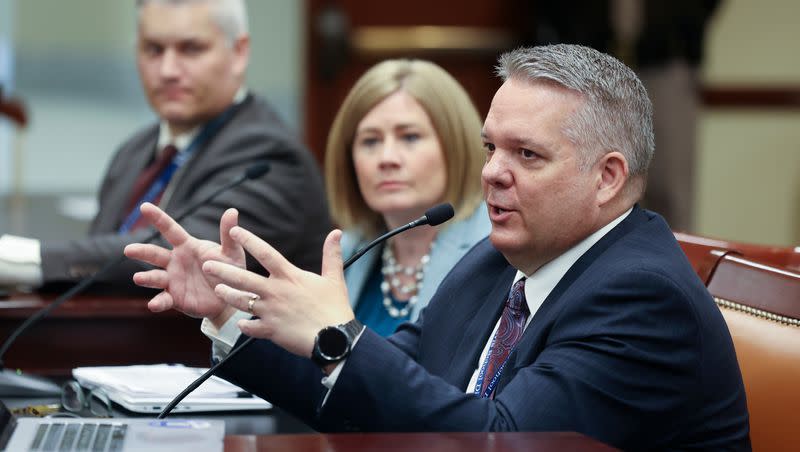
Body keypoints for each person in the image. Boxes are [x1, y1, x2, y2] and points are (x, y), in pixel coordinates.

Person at [125, 44, 750, 450]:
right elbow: (389, 382)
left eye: (526, 155)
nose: (492, 174)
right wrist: (231, 311)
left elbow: (500, 441)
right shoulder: (497, 262)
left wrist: (336, 332)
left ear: (607, 177)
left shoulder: (641, 296)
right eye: (491, 149)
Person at [0, 0, 330, 293]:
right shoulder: (135, 150)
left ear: (239, 52)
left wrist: (22, 259)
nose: (168, 71)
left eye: (191, 49)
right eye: (153, 49)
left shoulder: (271, 157)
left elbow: (180, 255)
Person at [325, 59, 489, 336]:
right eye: (370, 141)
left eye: (410, 137)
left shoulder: (492, 249)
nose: (387, 158)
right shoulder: (348, 250)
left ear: (455, 146)